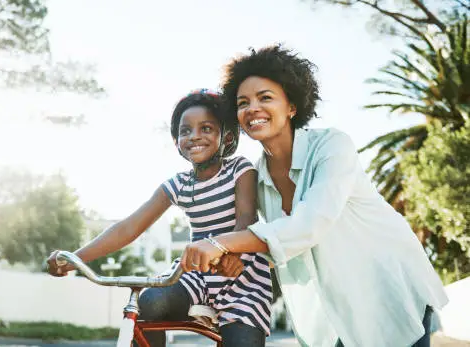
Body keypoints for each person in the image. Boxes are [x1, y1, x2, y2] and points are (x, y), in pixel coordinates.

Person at [179, 45, 449, 347]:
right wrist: (233, 257)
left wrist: (219, 243)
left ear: (292, 107)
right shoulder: (257, 176)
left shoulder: (333, 146)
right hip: (334, 307)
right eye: (243, 103)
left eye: (265, 97)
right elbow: (271, 242)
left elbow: (309, 224)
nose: (252, 108)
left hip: (388, 289)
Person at [47, 89, 273, 347]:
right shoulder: (179, 185)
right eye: (185, 130)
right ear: (177, 141)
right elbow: (129, 227)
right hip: (198, 276)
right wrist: (76, 259)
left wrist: (232, 254)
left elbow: (246, 217)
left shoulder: (239, 169)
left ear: (227, 137)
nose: (194, 136)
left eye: (206, 128)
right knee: (150, 301)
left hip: (243, 279)